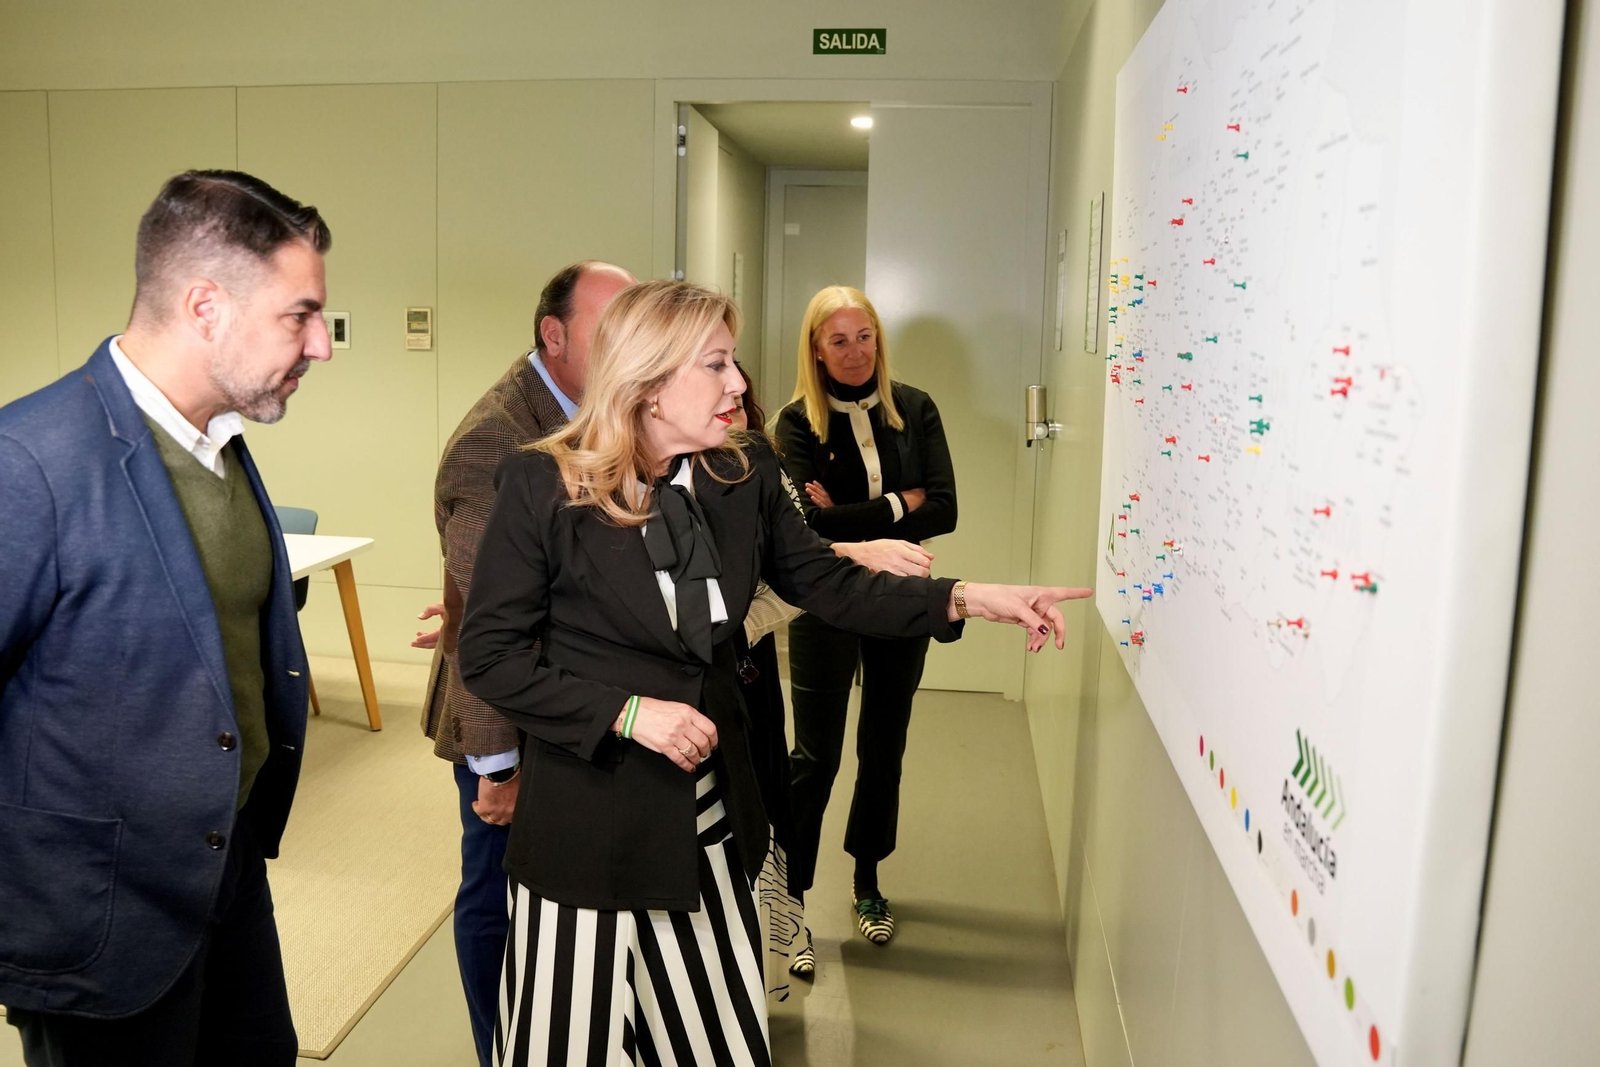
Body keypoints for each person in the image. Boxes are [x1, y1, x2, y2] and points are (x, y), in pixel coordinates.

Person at [456, 280, 1088, 1067]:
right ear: (649, 381)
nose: (740, 384)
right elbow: (489, 656)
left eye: (735, 362)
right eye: (716, 364)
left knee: (721, 1046)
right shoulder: (542, 482)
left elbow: (826, 580)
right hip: (588, 837)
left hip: (710, 825)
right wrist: (627, 713)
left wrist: (968, 597)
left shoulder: (742, 470)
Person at [0, 170, 333, 1066]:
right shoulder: (28, 462)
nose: (322, 347)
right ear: (205, 306)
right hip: (99, 919)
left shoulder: (220, 442)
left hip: (224, 877)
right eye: (299, 316)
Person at [413, 259, 635, 1067]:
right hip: (509, 723)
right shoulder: (493, 441)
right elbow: (489, 631)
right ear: (555, 334)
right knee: (496, 894)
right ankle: (498, 1047)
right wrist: (495, 767)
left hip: (574, 701)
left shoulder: (594, 409)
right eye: (613, 329)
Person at [773, 284, 958, 953]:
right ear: (817, 350)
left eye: (865, 336)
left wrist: (852, 509)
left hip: (900, 600)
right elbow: (807, 525)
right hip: (824, 599)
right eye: (839, 340)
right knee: (813, 756)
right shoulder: (796, 423)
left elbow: (946, 507)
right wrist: (896, 504)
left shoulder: (915, 408)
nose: (855, 352)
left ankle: (868, 879)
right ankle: (788, 900)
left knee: (884, 746)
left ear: (879, 338)